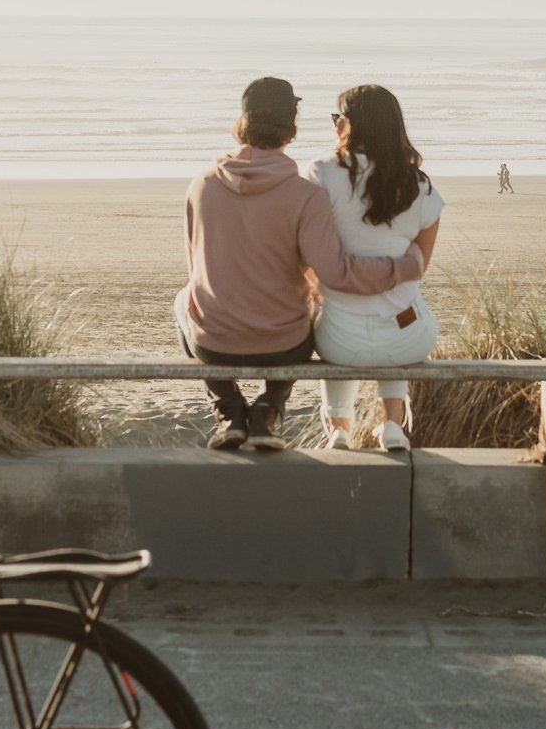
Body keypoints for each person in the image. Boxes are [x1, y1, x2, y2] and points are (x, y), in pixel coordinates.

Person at [175, 77, 423, 452]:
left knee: (183, 301)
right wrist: (404, 267)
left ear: (242, 122)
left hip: (215, 344)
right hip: (284, 345)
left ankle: (229, 411)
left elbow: (197, 271)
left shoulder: (201, 186)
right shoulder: (305, 195)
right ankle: (268, 408)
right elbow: (335, 272)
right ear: (291, 129)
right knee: (308, 309)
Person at [307, 85, 442, 451]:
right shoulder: (418, 186)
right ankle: (393, 424)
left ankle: (339, 429)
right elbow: (419, 265)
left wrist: (325, 281)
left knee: (335, 318)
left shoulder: (321, 174)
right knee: (398, 314)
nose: (334, 126)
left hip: (339, 341)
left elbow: (307, 250)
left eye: (338, 119)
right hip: (409, 337)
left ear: (351, 125)